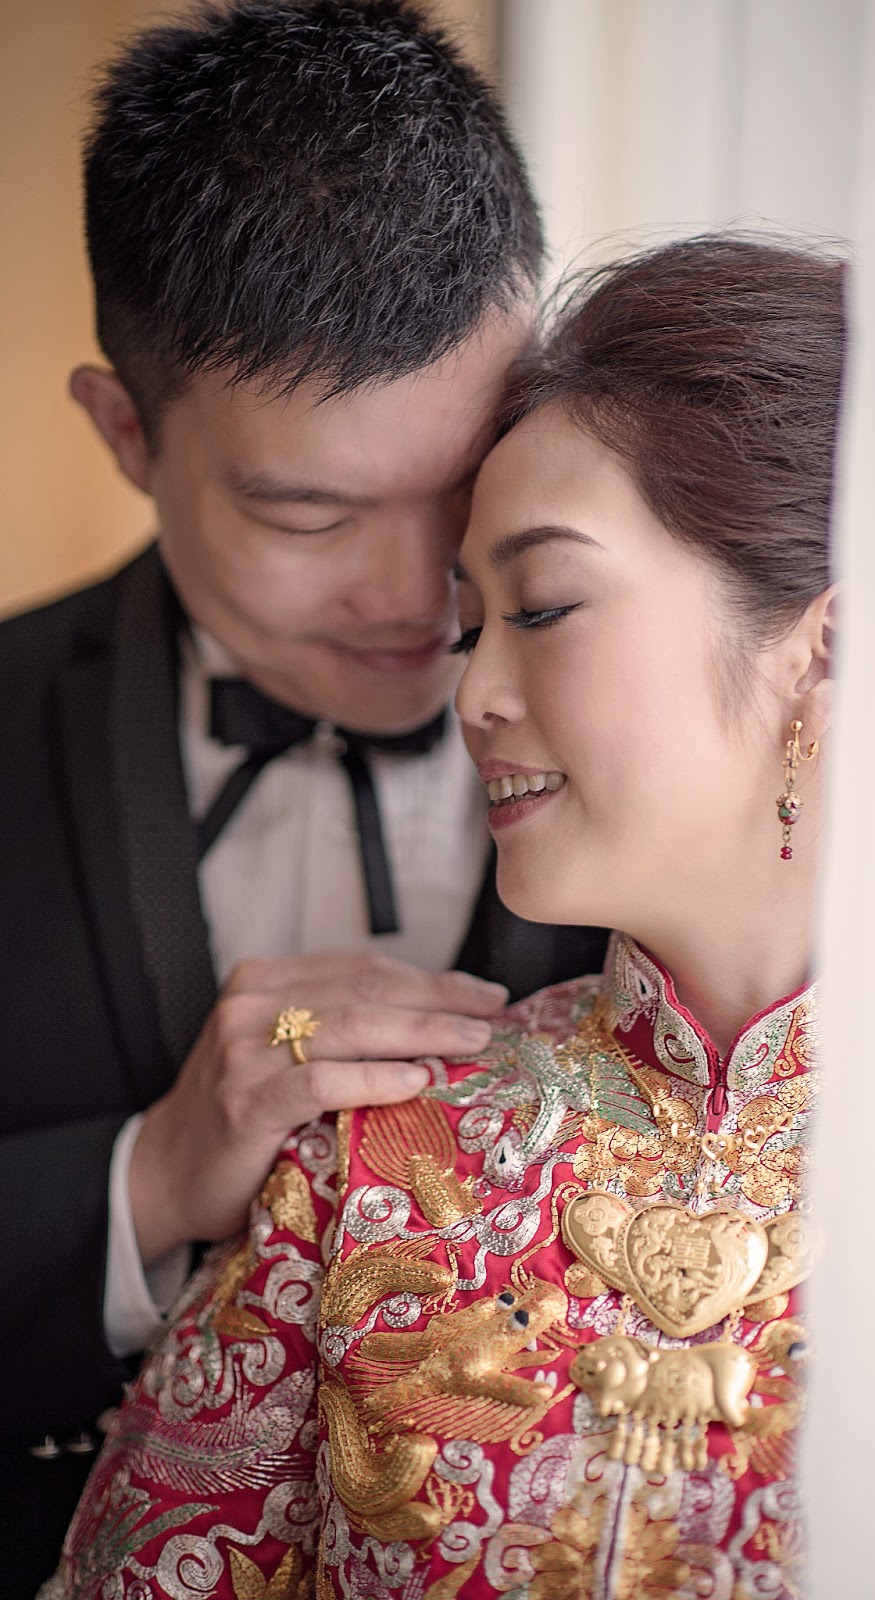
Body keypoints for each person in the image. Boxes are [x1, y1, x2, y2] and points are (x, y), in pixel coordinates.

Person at [49, 232, 843, 1599]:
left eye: (543, 605)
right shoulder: (359, 1170)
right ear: (129, 432)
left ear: (823, 646)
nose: (466, 691)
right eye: (477, 626)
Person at [0, 3, 609, 1591]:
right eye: (306, 514)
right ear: (125, 433)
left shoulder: (709, 735)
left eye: (463, 478)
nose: (416, 594)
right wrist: (148, 1175)